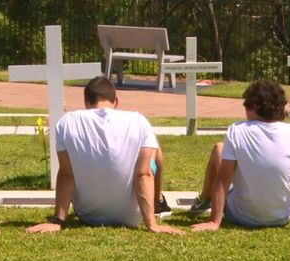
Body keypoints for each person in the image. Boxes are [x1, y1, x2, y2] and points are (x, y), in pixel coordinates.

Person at [26, 76, 183, 234]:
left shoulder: (66, 123)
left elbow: (67, 174)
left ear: (87, 103)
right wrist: (152, 224)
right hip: (131, 216)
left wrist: (58, 220)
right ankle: (158, 201)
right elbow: (144, 174)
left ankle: (158, 201)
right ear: (116, 102)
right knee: (154, 151)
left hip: (87, 215)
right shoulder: (139, 121)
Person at [190, 80, 290, 233]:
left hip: (241, 215)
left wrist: (214, 221)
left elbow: (223, 178)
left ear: (256, 107)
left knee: (219, 149)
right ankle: (205, 200)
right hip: (281, 217)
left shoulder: (237, 130)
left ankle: (204, 200)